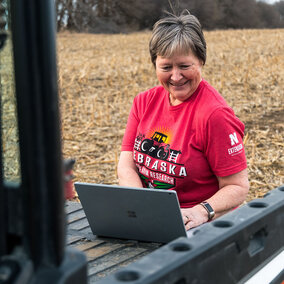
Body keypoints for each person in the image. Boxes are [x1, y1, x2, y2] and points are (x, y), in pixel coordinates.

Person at [117, 11, 249, 231]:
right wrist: (142, 205)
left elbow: (237, 187)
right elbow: (126, 165)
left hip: (199, 225)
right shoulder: (143, 102)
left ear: (201, 61)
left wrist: (202, 211)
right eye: (166, 67)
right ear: (155, 64)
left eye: (184, 66)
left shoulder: (215, 115)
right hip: (152, 218)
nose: (176, 77)